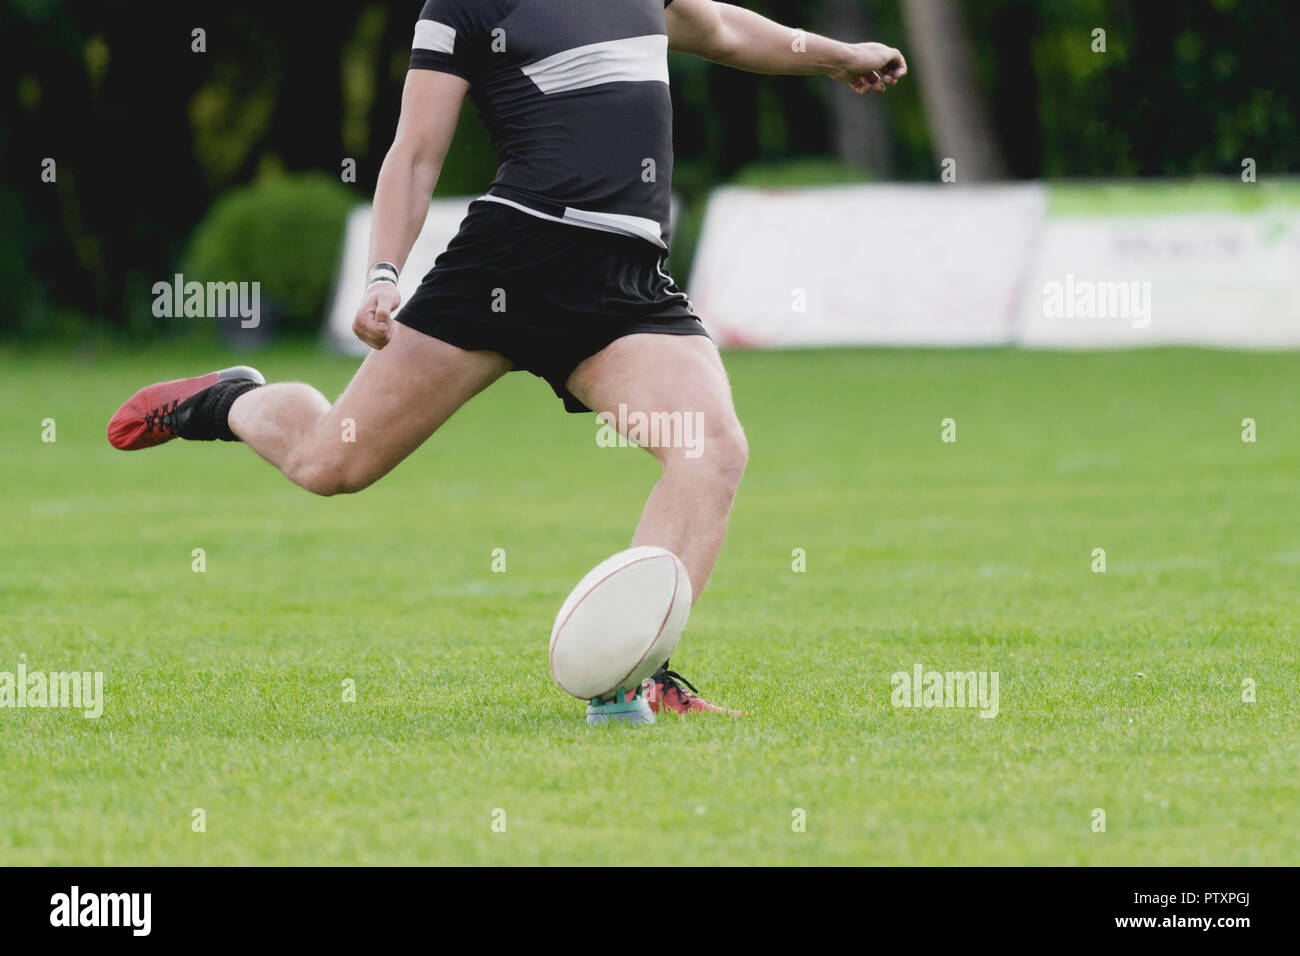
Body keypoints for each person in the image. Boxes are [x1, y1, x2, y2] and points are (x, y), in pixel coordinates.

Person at [107, 0, 906, 723]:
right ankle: (226, 400)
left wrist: (837, 55)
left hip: (626, 282)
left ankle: (638, 676)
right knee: (329, 464)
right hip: (512, 261)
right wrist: (384, 274)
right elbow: (415, 155)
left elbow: (724, 32)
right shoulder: (460, 4)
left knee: (710, 451)